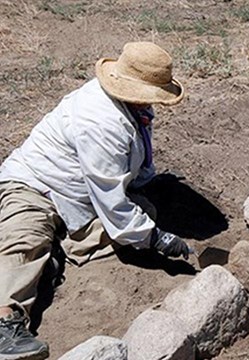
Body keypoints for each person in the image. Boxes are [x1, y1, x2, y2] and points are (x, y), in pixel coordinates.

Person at [0, 42, 193, 359]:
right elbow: (113, 201)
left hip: (78, 195)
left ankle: (58, 246)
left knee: (144, 212)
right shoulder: (100, 121)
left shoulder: (132, 107)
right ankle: (4, 322)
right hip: (33, 185)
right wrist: (158, 238)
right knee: (24, 240)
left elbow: (125, 172)